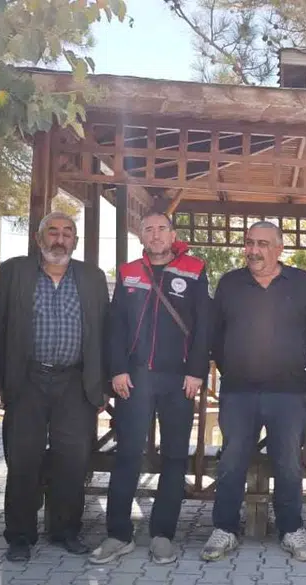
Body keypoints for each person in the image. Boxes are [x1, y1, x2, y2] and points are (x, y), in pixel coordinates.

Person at [0, 212, 111, 562]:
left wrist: (101, 384)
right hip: (26, 379)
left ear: (75, 240)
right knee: (23, 458)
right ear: (39, 238)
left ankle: (65, 530)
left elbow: (104, 331)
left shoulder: (92, 277)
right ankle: (20, 536)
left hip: (75, 381)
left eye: (67, 233)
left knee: (72, 460)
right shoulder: (15, 271)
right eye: (53, 232)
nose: (60, 239)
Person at [92, 212, 210, 565]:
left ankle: (162, 535)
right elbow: (115, 325)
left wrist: (197, 371)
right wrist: (116, 369)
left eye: (162, 229)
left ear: (173, 234)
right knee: (128, 454)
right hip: (135, 378)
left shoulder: (194, 269)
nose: (156, 235)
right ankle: (118, 534)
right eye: (149, 230)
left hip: (179, 379)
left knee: (175, 456)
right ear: (141, 236)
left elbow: (204, 325)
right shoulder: (128, 272)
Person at [203, 221, 306, 562]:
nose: (254, 250)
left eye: (263, 244)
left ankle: (291, 529)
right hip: (239, 392)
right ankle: (225, 528)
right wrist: (235, 368)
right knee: (232, 462)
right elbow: (215, 336)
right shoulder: (230, 283)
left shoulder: (301, 283)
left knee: (288, 464)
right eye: (250, 243)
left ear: (279, 248)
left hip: (289, 394)